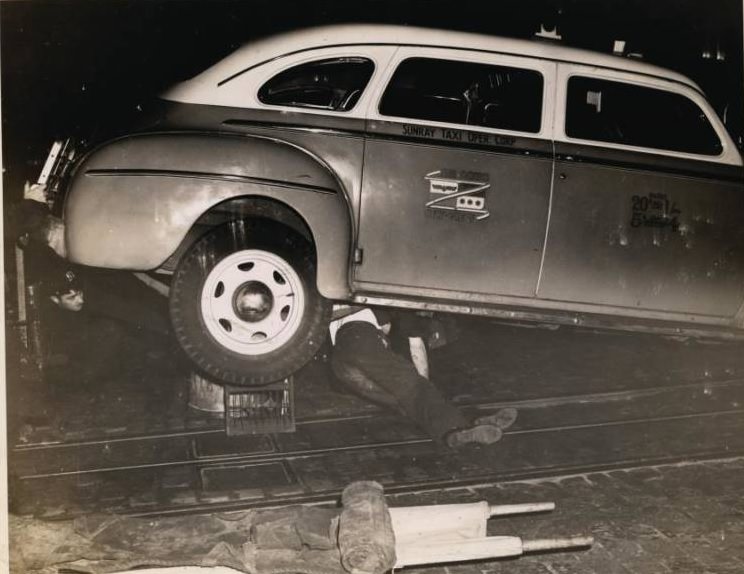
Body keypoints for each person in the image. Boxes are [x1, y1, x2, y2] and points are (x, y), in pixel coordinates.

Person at [329, 306, 517, 448]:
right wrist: (423, 385)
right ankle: (457, 428)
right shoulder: (392, 305)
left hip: (341, 367)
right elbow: (415, 348)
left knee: (405, 402)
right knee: (416, 390)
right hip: (360, 341)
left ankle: (468, 427)